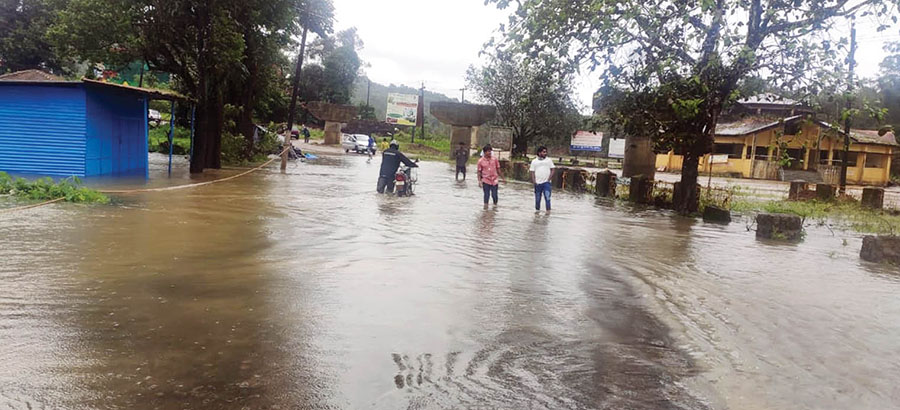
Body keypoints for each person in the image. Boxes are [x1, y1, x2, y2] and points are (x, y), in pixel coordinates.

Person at [477, 144, 504, 208]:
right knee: (486, 195)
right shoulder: (480, 161)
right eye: (488, 151)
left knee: (494, 195)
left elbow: (498, 169)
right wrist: (479, 181)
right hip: (485, 180)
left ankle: (495, 207)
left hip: (494, 180)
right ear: (484, 152)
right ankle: (485, 208)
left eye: (490, 151)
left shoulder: (495, 159)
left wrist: (503, 178)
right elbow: (479, 172)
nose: (490, 153)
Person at [530, 146, 556, 212]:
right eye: (543, 152)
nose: (545, 153)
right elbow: (532, 172)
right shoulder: (534, 161)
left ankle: (548, 212)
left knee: (547, 198)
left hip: (546, 183)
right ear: (539, 153)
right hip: (537, 183)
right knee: (537, 199)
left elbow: (553, 169)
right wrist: (534, 181)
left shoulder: (549, 160)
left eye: (546, 152)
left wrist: (549, 179)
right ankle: (537, 212)